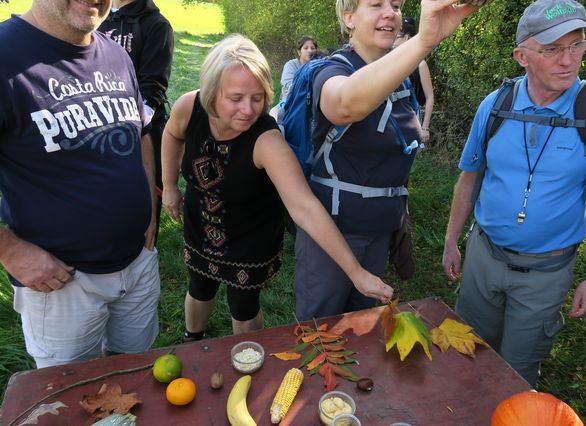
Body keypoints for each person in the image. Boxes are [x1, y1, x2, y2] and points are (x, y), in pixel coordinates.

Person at [442, 0, 586, 387]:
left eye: (577, 46)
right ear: (521, 56)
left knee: (516, 374)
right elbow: (469, 177)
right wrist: (450, 240)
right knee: (466, 356)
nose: (569, 60)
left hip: (546, 272)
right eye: (552, 49)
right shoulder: (495, 106)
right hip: (483, 257)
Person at [161, 34, 392, 341]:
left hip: (250, 236)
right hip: (201, 221)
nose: (248, 109)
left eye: (257, 98)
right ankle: (193, 338)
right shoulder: (189, 108)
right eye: (235, 98)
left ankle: (245, 355)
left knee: (242, 304)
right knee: (199, 285)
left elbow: (305, 209)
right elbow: (171, 134)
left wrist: (356, 273)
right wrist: (169, 185)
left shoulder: (266, 141)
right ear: (212, 90)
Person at [294, 0, 478, 321]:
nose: (390, 13)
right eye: (376, 4)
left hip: (380, 230)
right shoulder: (331, 69)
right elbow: (344, 105)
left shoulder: (400, 77)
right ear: (348, 17)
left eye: (395, 4)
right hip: (334, 234)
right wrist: (423, 41)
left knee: (363, 329)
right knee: (318, 335)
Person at [0, 0, 160, 368]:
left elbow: (142, 134)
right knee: (68, 397)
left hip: (137, 263)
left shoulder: (116, 55)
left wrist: (149, 205)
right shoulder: (6, 56)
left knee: (132, 374)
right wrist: (9, 250)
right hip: (62, 281)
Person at [99, 0, 174, 241]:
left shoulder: (156, 25)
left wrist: (130, 125)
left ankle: (145, 243)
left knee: (142, 190)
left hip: (139, 125)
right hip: (93, 121)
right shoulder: (93, 15)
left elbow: (153, 87)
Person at [393, 16, 434, 145]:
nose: (392, 40)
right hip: (391, 122)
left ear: (407, 38)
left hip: (411, 123)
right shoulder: (388, 62)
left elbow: (430, 98)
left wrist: (425, 127)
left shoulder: (420, 65)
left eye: (396, 36)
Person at [269, 35, 318, 120]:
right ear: (299, 52)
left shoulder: (318, 66)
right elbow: (289, 86)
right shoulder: (291, 65)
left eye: (312, 48)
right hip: (289, 102)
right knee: (274, 113)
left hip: (311, 103)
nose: (310, 51)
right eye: (306, 48)